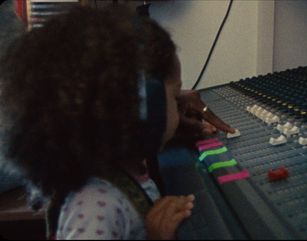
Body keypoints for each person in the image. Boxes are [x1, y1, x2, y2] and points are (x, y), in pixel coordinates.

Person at [0, 6, 234, 240]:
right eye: (174, 97)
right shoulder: (95, 205)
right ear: (143, 107)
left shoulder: (124, 172)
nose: (179, 106)